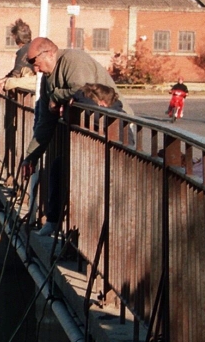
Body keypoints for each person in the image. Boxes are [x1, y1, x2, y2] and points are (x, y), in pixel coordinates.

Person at [18, 37, 131, 236]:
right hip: (88, 138)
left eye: (35, 63)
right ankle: (53, 222)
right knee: (59, 167)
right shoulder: (47, 79)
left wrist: (55, 96)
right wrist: (31, 156)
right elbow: (45, 121)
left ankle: (94, 235)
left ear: (50, 53)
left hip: (112, 131)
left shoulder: (73, 60)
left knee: (100, 186)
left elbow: (82, 91)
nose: (35, 70)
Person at [0, 19, 36, 95]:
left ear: (16, 37)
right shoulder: (32, 46)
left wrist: (3, 83)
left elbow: (15, 74)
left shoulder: (24, 51)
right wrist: (3, 79)